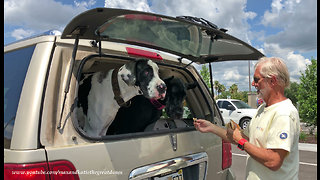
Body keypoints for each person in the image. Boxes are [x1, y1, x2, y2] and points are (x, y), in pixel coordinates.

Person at [194, 57, 300, 180]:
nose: (253, 84)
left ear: (272, 81)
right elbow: (242, 138)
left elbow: (273, 161)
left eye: (256, 79)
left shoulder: (284, 113)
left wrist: (241, 142)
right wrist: (212, 128)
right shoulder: (262, 109)